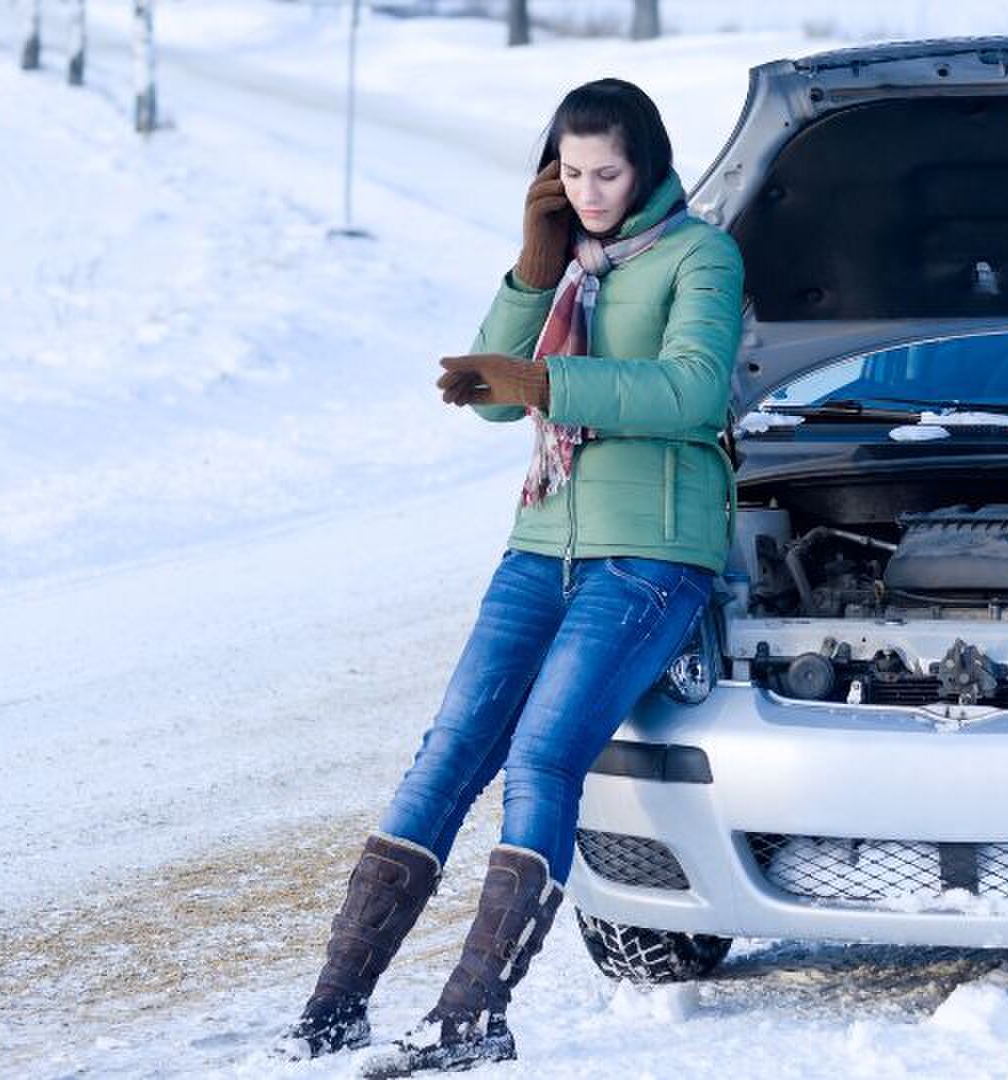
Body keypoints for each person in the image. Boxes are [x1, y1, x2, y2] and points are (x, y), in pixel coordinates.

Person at [272, 77, 743, 1077]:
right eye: (570, 173)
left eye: (607, 172)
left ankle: (473, 1013)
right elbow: (493, 402)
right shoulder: (564, 264)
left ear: (648, 165)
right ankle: (334, 1004)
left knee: (541, 756)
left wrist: (545, 381)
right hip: (541, 541)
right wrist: (533, 273)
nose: (589, 192)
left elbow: (694, 388)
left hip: (652, 551)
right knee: (447, 752)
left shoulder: (703, 255)